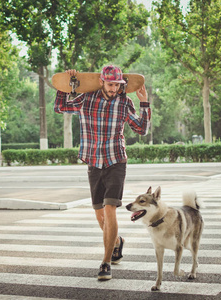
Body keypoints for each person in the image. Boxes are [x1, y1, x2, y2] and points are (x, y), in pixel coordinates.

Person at [54, 65, 151, 281]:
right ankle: (117, 242)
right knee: (99, 214)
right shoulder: (86, 99)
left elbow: (141, 129)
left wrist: (145, 102)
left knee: (109, 210)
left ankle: (106, 262)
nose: (114, 88)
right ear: (101, 82)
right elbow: (60, 108)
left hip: (116, 160)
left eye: (117, 84)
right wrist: (65, 85)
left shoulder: (125, 102)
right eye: (110, 84)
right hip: (93, 161)